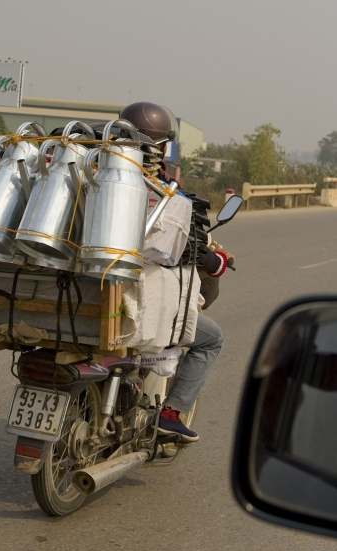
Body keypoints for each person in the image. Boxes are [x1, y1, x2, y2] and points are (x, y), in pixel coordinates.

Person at [120, 101, 233, 443]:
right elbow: (173, 245)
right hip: (132, 293)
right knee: (212, 339)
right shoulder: (161, 187)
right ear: (162, 143)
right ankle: (170, 415)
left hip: (82, 287)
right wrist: (212, 260)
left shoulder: (91, 170)